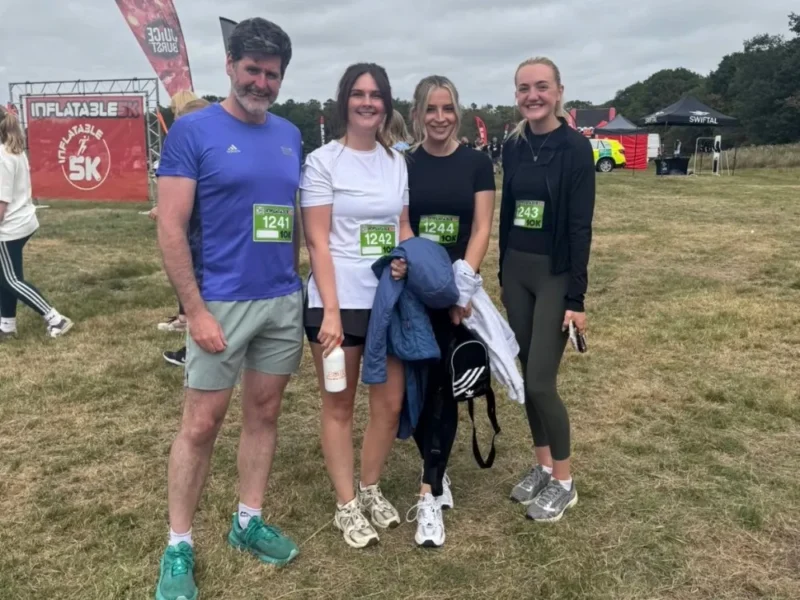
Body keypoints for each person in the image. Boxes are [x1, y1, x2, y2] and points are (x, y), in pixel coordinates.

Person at [153, 18, 305, 600]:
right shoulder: (194, 132)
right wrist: (194, 310)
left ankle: (247, 521)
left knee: (264, 413)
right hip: (219, 301)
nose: (261, 82)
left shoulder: (291, 134)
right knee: (201, 423)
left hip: (279, 300)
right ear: (231, 67)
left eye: (272, 74)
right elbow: (170, 226)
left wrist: (293, 283)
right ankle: (178, 545)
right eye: (252, 70)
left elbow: (288, 217)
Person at [300, 62, 411, 549]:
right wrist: (328, 310)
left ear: (386, 103)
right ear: (345, 99)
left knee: (387, 404)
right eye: (359, 94)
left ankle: (371, 488)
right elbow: (318, 243)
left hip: (386, 300)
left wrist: (409, 258)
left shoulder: (396, 161)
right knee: (339, 405)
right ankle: (347, 504)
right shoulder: (322, 162)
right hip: (337, 304)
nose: (368, 102)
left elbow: (400, 227)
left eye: (377, 95)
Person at [498, 57, 595, 522]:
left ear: (558, 91)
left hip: (554, 275)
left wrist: (576, 299)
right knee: (523, 377)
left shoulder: (575, 149)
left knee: (540, 380)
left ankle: (564, 480)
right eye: (523, 89)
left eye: (541, 87)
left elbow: (581, 227)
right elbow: (507, 211)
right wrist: (501, 274)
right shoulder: (513, 146)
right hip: (516, 271)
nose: (532, 96)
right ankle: (541, 465)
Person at [405, 75, 495, 547]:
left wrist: (462, 288)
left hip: (456, 296)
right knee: (416, 389)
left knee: (444, 386)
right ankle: (433, 467)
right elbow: (400, 222)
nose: (440, 117)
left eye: (448, 108)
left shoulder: (477, 164)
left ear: (457, 111)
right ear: (418, 113)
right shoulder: (405, 163)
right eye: (430, 109)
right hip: (413, 293)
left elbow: (481, 228)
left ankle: (430, 489)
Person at [149, 95, 212, 367]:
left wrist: (167, 212)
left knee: (200, 293)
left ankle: (193, 352)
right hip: (198, 238)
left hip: (204, 242)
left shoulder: (205, 154)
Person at [0, 105, 73, 340]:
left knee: (10, 279)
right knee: (7, 277)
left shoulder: (1, 157)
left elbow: (1, 204)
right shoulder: (13, 150)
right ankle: (7, 326)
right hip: (22, 221)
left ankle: (55, 318)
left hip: (8, 227)